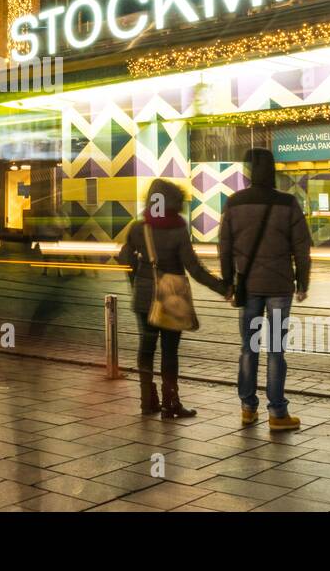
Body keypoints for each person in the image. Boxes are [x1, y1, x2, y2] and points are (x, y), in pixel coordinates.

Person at [217, 147, 312, 432]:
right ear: (273, 170)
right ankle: (277, 413)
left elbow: (224, 247)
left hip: (248, 286)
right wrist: (303, 281)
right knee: (275, 350)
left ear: (247, 172)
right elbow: (302, 247)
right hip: (280, 286)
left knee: (249, 348)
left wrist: (227, 283)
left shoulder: (234, 203)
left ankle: (247, 409)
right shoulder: (287, 203)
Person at [118, 179, 226, 419]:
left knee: (146, 349)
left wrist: (137, 283)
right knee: (169, 352)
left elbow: (125, 259)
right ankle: (170, 403)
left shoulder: (138, 228)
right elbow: (194, 268)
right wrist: (223, 288)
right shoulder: (178, 229)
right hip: (171, 299)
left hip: (143, 299)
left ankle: (147, 401)